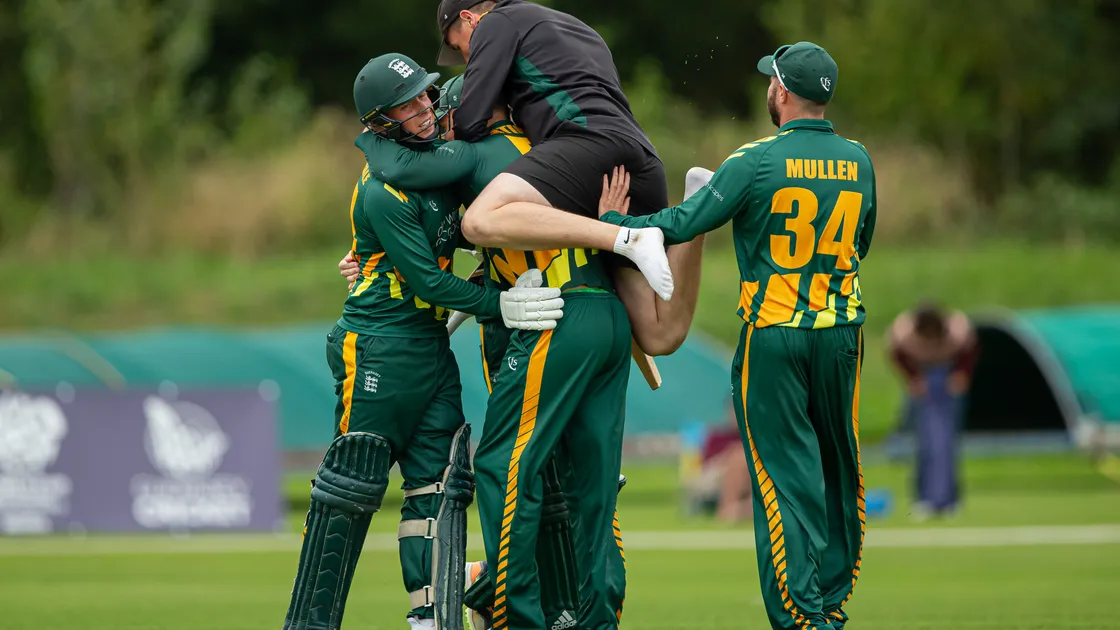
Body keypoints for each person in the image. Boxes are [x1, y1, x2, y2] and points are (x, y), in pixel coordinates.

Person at [341, 73, 709, 630]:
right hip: (607, 312)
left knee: (502, 464)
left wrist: (376, 247)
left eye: (443, 112)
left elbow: (403, 179)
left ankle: (515, 616)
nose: (437, 122)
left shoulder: (472, 153)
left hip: (555, 314)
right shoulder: (548, 151)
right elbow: (480, 238)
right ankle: (597, 618)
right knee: (595, 482)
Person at [281, 53, 566, 630]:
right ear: (381, 122)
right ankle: (310, 621)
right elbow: (430, 280)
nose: (425, 109)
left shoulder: (438, 169)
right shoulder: (384, 191)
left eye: (425, 97)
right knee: (351, 483)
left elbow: (468, 238)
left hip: (430, 347)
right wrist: (499, 303)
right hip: (379, 343)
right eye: (408, 105)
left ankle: (430, 616)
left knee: (440, 489)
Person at [598, 42, 877, 630]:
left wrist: (611, 225)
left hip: (775, 338)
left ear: (780, 91)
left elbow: (680, 222)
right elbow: (860, 246)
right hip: (842, 336)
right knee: (838, 467)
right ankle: (831, 602)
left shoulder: (755, 159)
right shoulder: (860, 160)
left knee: (781, 476)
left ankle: (800, 615)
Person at [434, 0, 677, 302]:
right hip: (641, 157)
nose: (467, 58)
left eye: (461, 48)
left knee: (478, 220)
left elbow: (470, 120)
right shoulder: (577, 27)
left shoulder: (495, 22)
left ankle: (625, 237)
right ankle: (697, 209)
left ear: (470, 19)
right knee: (658, 334)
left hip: (586, 143)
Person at [885, 302, 978, 519]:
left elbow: (970, 351)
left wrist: (961, 374)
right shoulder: (903, 333)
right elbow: (896, 354)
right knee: (925, 442)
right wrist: (914, 378)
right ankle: (924, 498)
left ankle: (950, 499)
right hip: (922, 382)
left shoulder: (957, 330)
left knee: (946, 443)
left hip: (948, 382)